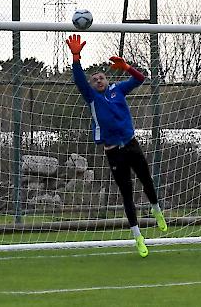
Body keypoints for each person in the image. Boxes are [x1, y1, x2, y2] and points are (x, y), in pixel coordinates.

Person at [66, 34, 167, 258]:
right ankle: (138, 237)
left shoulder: (118, 89)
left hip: (131, 145)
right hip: (114, 153)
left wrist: (127, 67)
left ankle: (156, 210)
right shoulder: (92, 97)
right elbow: (79, 79)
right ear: (92, 85)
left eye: (101, 77)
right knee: (127, 193)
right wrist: (76, 57)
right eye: (94, 79)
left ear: (107, 79)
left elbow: (140, 79)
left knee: (147, 181)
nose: (98, 81)